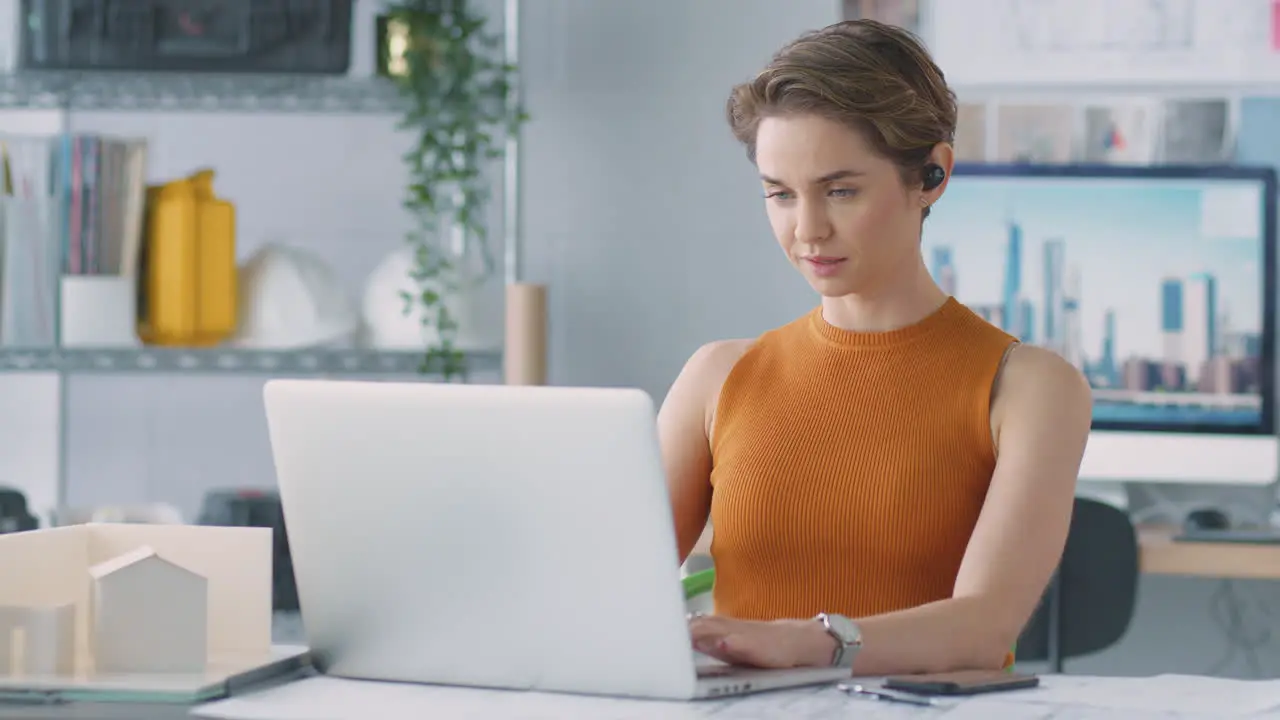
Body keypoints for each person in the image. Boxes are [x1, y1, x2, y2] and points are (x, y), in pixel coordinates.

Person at [659, 19, 1093, 677]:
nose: (807, 229)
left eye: (841, 191)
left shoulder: (1029, 388)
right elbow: (608, 586)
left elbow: (983, 626)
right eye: (779, 194)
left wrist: (806, 645)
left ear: (932, 174)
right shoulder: (716, 377)